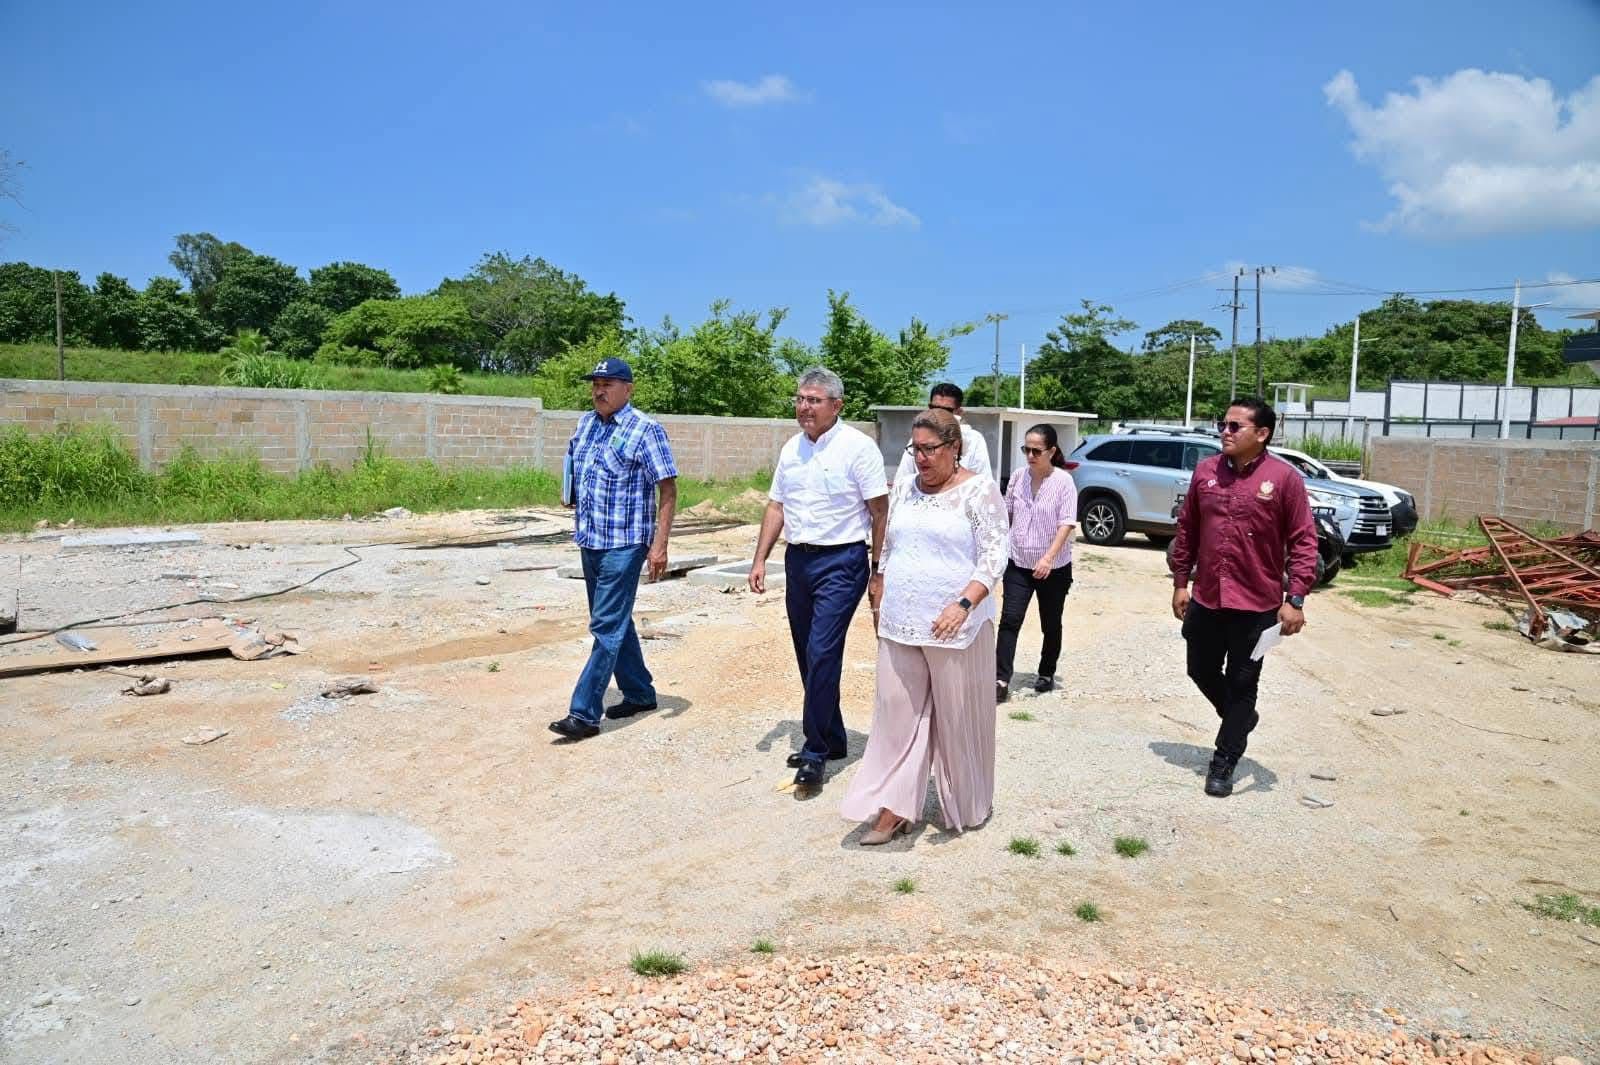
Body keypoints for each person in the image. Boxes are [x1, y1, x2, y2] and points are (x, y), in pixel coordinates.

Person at [841, 408, 1009, 843]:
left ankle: (967, 801)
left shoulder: (979, 491)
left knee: (957, 721)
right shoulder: (903, 488)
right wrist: (878, 582)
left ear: (954, 448)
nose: (920, 458)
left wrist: (964, 604)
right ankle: (893, 809)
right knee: (896, 716)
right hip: (901, 622)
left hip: (954, 628)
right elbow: (889, 543)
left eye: (929, 449)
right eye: (914, 449)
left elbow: (994, 556)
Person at [1169, 398, 1317, 797]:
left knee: (1242, 681)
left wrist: (1296, 598)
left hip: (1257, 604)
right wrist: (1181, 582)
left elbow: (1304, 542)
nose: (1225, 432)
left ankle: (1224, 759)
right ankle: (1240, 718)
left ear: (1262, 433)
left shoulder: (1284, 479)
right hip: (1208, 597)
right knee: (1199, 668)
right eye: (1224, 424)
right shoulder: (1206, 472)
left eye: (1235, 426)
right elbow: (1188, 530)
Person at [749, 367, 889, 789]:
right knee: (807, 654)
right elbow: (776, 506)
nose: (804, 407)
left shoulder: (858, 448)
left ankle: (814, 752)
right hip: (799, 562)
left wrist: (878, 570)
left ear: (836, 405)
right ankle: (833, 738)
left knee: (823, 650)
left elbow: (880, 511)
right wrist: (759, 559)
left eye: (814, 400)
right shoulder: (792, 449)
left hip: (842, 562)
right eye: (800, 399)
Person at [548, 357, 679, 741]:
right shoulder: (586, 424)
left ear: (628, 389)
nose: (599, 391)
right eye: (595, 384)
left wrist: (659, 546)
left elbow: (668, 489)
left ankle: (583, 713)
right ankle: (639, 693)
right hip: (590, 538)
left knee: (605, 624)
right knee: (614, 620)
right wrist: (570, 490)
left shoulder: (645, 429)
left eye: (607, 384)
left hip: (625, 542)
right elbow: (575, 464)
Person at [995, 423, 1078, 703]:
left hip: (1053, 567)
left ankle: (1046, 671)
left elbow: (1067, 523)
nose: (1030, 455)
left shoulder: (1063, 482)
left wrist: (1048, 558)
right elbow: (1006, 513)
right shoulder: (1018, 477)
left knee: (1050, 622)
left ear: (1051, 451)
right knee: (1010, 620)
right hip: (1018, 562)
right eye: (1026, 449)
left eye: (1036, 451)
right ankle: (1000, 678)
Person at [892, 383, 992, 484]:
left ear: (959, 412)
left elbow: (983, 481)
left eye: (946, 410)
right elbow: (902, 480)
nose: (938, 414)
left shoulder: (973, 440)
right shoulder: (919, 439)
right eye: (934, 408)